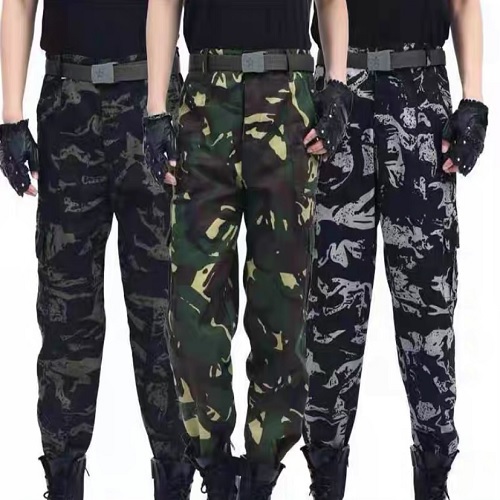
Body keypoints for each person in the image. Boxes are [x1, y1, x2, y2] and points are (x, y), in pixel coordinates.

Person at [143, 0, 352, 498]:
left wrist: (337, 85)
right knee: (190, 317)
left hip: (288, 102)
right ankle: (215, 471)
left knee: (283, 314)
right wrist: (155, 110)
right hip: (205, 104)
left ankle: (261, 475)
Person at [0, 1, 195, 498]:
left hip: (150, 100)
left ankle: (176, 478)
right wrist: (11, 117)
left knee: (164, 313)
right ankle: (63, 481)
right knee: (65, 312)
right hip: (68, 101)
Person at [302, 0, 489, 499]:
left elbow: (464, 4)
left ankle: (434, 479)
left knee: (428, 307)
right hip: (342, 94)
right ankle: (325, 480)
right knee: (331, 308)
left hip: (421, 96)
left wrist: (473, 99)